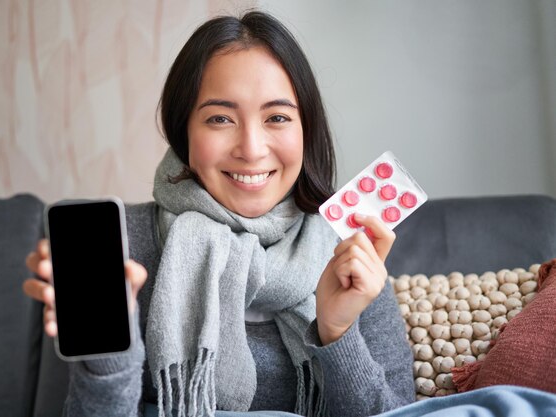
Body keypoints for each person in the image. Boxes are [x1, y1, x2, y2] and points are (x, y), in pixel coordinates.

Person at [23, 10, 415, 417]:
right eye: (220, 118)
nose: (251, 148)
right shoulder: (121, 246)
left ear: (306, 130)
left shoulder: (349, 254)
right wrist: (109, 352)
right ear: (184, 133)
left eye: (277, 117)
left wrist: (338, 332)